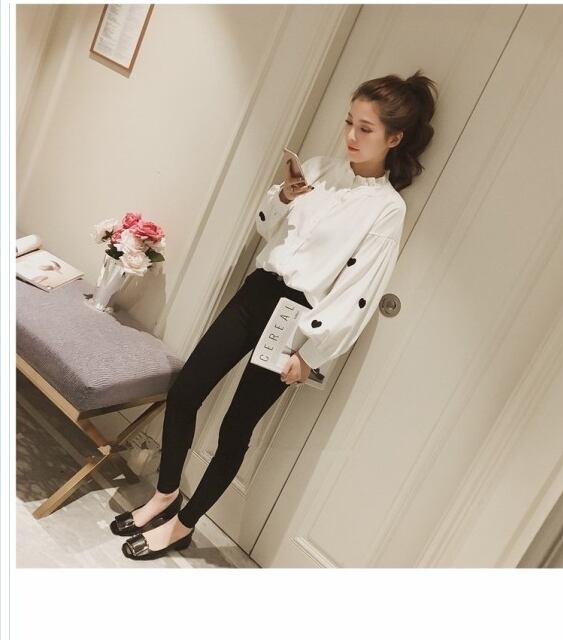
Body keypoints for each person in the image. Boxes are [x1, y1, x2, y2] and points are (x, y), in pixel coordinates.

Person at [114, 69, 438, 560]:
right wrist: (284, 196)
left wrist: (311, 354)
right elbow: (268, 230)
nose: (351, 135)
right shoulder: (318, 169)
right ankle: (165, 494)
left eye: (365, 128)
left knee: (235, 428)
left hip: (297, 316)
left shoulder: (386, 208)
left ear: (394, 138)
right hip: (259, 291)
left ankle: (183, 524)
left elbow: (360, 290)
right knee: (185, 391)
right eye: (349, 121)